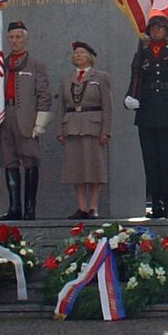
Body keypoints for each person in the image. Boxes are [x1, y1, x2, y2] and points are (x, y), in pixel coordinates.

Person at [125, 14, 168, 218]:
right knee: (150, 158)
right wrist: (130, 97)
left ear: (166, 31)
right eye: (153, 29)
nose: (156, 32)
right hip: (148, 109)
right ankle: (155, 201)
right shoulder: (141, 54)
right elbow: (136, 77)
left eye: (159, 28)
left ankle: (167, 203)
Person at [0, 21, 52, 220]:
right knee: (9, 161)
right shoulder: (1, 63)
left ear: (26, 39)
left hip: (27, 118)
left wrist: (40, 122)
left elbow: (44, 95)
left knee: (30, 160)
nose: (14, 41)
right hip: (5, 115)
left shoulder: (36, 64)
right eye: (11, 37)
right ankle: (14, 208)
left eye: (18, 37)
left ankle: (30, 208)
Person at [58, 40, 112, 218]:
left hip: (93, 126)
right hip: (72, 125)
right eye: (76, 53)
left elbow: (107, 105)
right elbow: (61, 105)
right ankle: (81, 206)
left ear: (90, 57)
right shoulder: (67, 78)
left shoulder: (100, 77)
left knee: (94, 168)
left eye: (81, 53)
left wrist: (106, 130)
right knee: (77, 169)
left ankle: (93, 207)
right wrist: (60, 130)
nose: (78, 55)